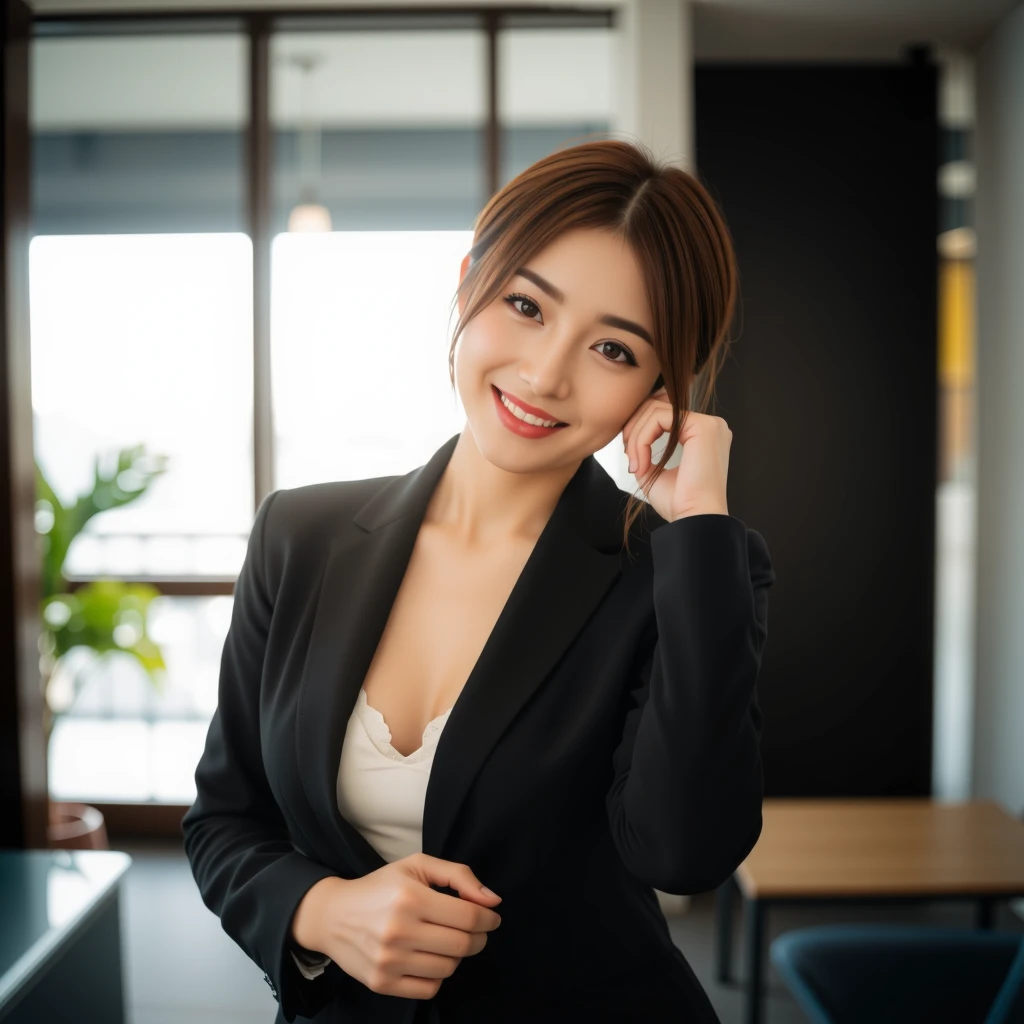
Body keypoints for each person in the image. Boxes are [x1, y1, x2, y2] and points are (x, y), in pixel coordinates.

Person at [181, 137, 776, 1024]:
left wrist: (696, 529)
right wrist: (321, 911)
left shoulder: (678, 573)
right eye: (527, 304)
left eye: (614, 350)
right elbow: (224, 819)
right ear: (469, 283)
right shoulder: (297, 536)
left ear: (661, 385)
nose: (545, 373)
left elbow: (683, 852)